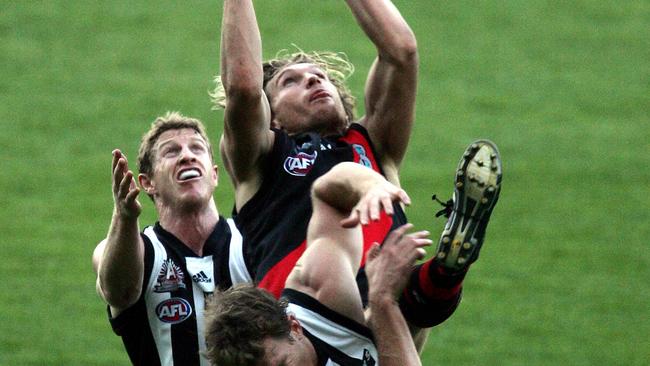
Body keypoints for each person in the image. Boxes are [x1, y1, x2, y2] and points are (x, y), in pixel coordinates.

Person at [214, 0, 497, 344]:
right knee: (405, 294)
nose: (313, 80)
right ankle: (440, 279)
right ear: (270, 115)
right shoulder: (261, 157)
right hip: (299, 328)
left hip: (377, 326)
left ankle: (442, 276)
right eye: (291, 81)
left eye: (320, 76)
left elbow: (402, 51)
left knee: (394, 290)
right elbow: (243, 88)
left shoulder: (373, 143)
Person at [205, 162, 431, 366]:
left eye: (285, 365)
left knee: (424, 295)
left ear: (295, 327)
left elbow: (326, 194)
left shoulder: (318, 289)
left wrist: (371, 186)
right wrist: (382, 299)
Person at [92, 112, 252, 366]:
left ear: (214, 174)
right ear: (148, 183)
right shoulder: (140, 252)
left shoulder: (251, 239)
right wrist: (124, 217)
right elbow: (118, 291)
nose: (187, 156)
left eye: (196, 148)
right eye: (171, 152)